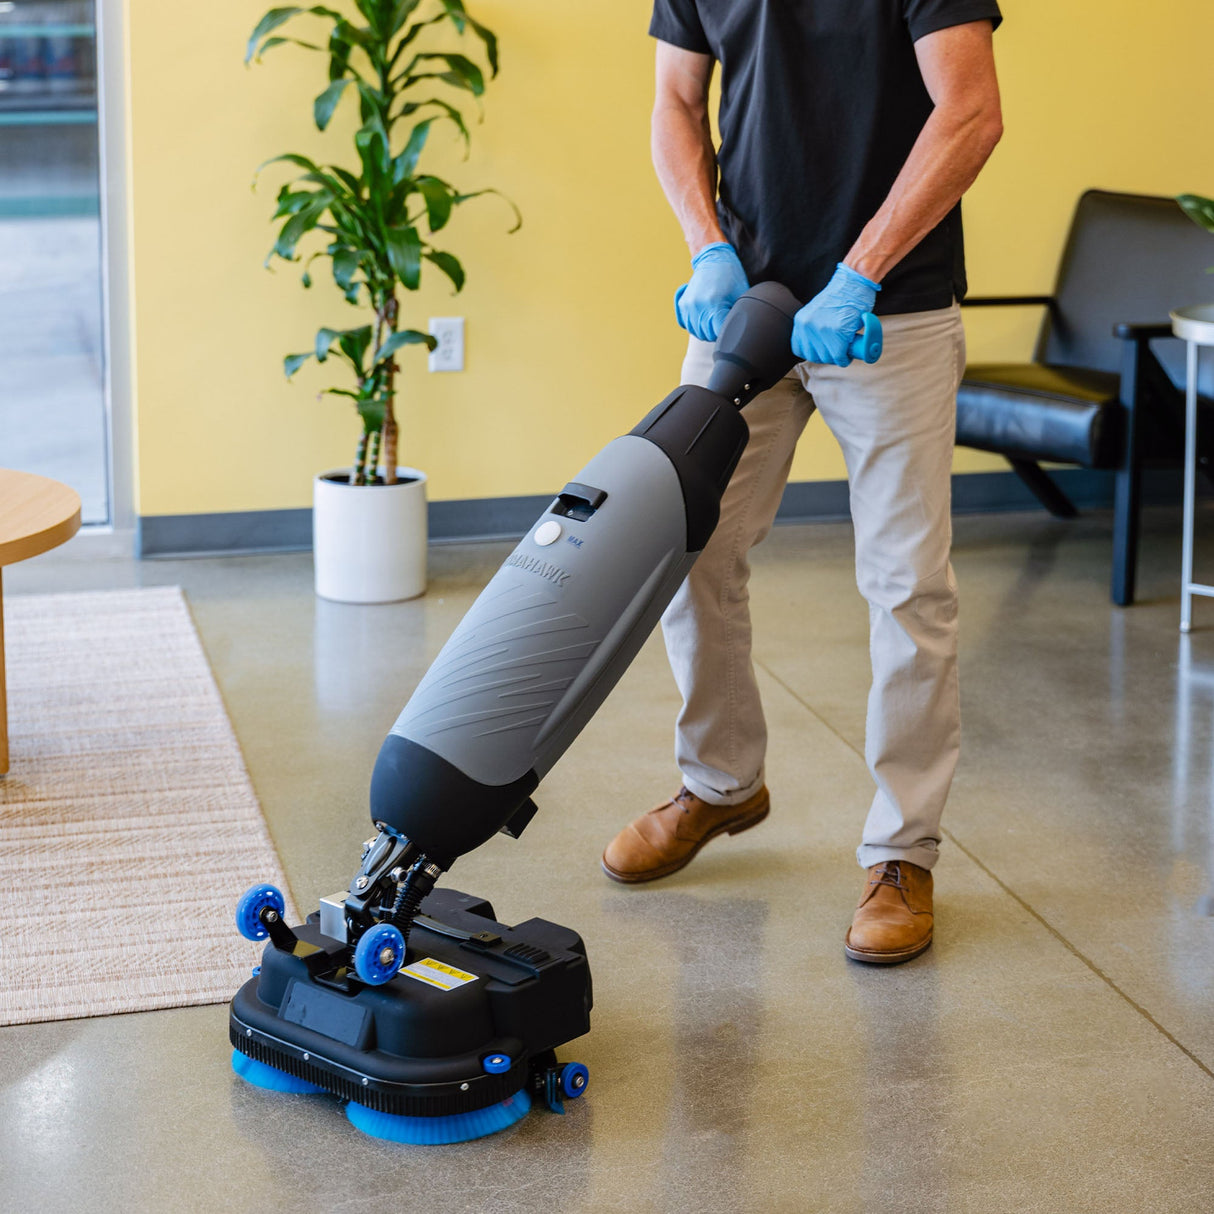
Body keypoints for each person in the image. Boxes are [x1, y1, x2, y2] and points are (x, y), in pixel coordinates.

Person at [601, 0, 1004, 965]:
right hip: (742, 303)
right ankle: (721, 784)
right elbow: (674, 98)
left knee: (908, 586)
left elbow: (971, 110)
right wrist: (706, 245)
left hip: (887, 310)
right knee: (684, 539)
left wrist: (862, 272)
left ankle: (902, 854)